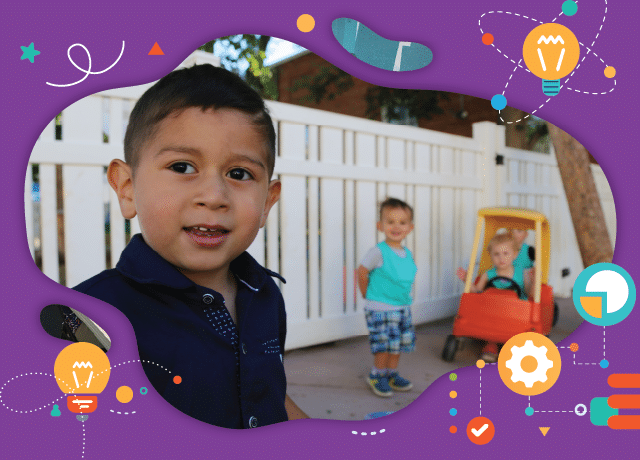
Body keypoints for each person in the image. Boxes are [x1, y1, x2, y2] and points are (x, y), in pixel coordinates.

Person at [74, 64, 307, 428]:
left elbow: (264, 391)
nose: (214, 196)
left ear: (267, 203)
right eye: (182, 167)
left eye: (239, 174)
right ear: (127, 188)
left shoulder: (264, 294)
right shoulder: (92, 319)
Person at [357, 198, 417, 397]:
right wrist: (366, 294)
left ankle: (391, 374)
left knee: (396, 345)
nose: (396, 226)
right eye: (390, 222)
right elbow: (362, 272)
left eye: (402, 222)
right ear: (380, 226)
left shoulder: (407, 253)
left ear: (410, 227)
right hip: (380, 309)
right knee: (383, 345)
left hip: (401, 308)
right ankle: (377, 375)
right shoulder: (378, 252)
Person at [456, 232, 530, 362]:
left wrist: (533, 281)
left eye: (506, 254)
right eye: (496, 254)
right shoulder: (488, 275)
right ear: (491, 256)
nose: (501, 258)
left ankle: (513, 348)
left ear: (514, 255)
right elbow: (477, 292)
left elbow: (529, 295)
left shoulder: (521, 273)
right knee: (491, 327)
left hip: (515, 315)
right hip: (493, 315)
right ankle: (491, 345)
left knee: (519, 333)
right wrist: (467, 280)